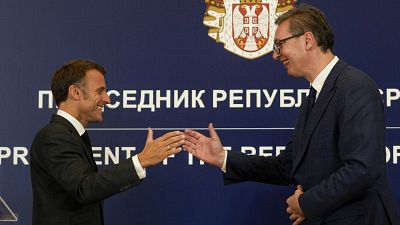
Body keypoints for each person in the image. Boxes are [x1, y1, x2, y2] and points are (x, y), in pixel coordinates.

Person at [184, 4, 400, 225]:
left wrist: (306, 203)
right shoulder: (313, 97)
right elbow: (287, 166)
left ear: (307, 40)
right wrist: (224, 158)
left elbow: (362, 169)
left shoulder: (355, 86)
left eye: (279, 45)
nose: (276, 56)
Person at [30, 59, 185, 225]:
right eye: (100, 91)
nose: (108, 99)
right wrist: (141, 160)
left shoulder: (71, 135)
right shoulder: (54, 136)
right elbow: (85, 188)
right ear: (75, 92)